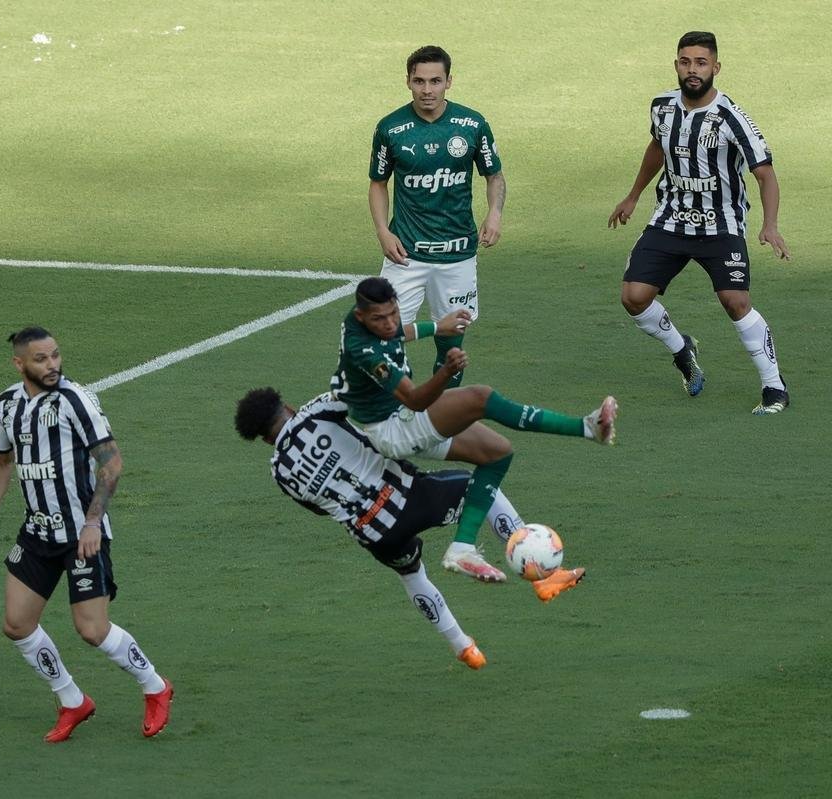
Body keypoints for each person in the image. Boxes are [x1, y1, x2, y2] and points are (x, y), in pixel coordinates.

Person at [234, 389, 587, 670]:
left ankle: (464, 647)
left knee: (412, 576)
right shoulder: (317, 410)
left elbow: (316, 509)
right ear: (288, 406)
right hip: (407, 495)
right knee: (482, 488)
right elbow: (363, 400)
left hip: (372, 532)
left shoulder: (278, 470)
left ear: (264, 439)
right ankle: (539, 576)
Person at [333, 277, 616, 583]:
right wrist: (446, 372)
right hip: (394, 427)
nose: (389, 323)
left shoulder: (365, 319)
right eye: (379, 319)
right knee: (480, 398)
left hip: (398, 422)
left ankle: (462, 547)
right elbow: (415, 400)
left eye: (393, 313)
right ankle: (587, 427)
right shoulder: (363, 350)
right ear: (361, 317)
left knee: (497, 453)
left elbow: (397, 332)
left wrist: (437, 326)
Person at [0, 326, 173, 743]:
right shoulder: (7, 405)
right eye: (42, 359)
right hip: (37, 531)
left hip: (83, 533)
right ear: (19, 363)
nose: (53, 365)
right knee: (17, 624)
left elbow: (111, 463)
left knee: (93, 631)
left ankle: (155, 686)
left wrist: (93, 522)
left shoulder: (74, 400)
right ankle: (71, 699)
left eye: (56, 356)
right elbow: (1, 456)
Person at [608, 31, 791, 415]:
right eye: (686, 62)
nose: (693, 70)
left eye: (701, 63)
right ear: (677, 65)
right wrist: (633, 195)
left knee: (736, 302)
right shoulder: (661, 106)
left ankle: (774, 387)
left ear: (715, 68)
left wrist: (770, 224)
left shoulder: (731, 117)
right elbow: (657, 147)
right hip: (670, 220)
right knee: (634, 298)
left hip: (720, 225)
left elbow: (765, 174)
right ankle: (682, 348)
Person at [369, 45, 506, 387]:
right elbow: (378, 183)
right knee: (385, 336)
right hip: (406, 256)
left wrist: (494, 214)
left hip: (457, 255)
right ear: (408, 82)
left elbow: (494, 176)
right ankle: (400, 410)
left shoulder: (472, 124)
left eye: (435, 81)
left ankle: (440, 424)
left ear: (449, 82)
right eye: (419, 81)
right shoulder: (391, 128)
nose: (427, 90)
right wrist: (383, 232)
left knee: (452, 353)